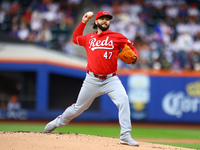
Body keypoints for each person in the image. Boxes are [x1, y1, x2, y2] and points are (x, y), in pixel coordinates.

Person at [44, 10, 139, 146]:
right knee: (78, 108)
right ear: (96, 22)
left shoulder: (117, 37)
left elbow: (132, 49)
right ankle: (56, 122)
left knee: (123, 99)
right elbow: (75, 38)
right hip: (92, 79)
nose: (105, 21)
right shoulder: (89, 38)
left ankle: (125, 135)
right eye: (102, 18)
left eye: (107, 19)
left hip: (111, 79)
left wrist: (135, 57)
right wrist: (83, 22)